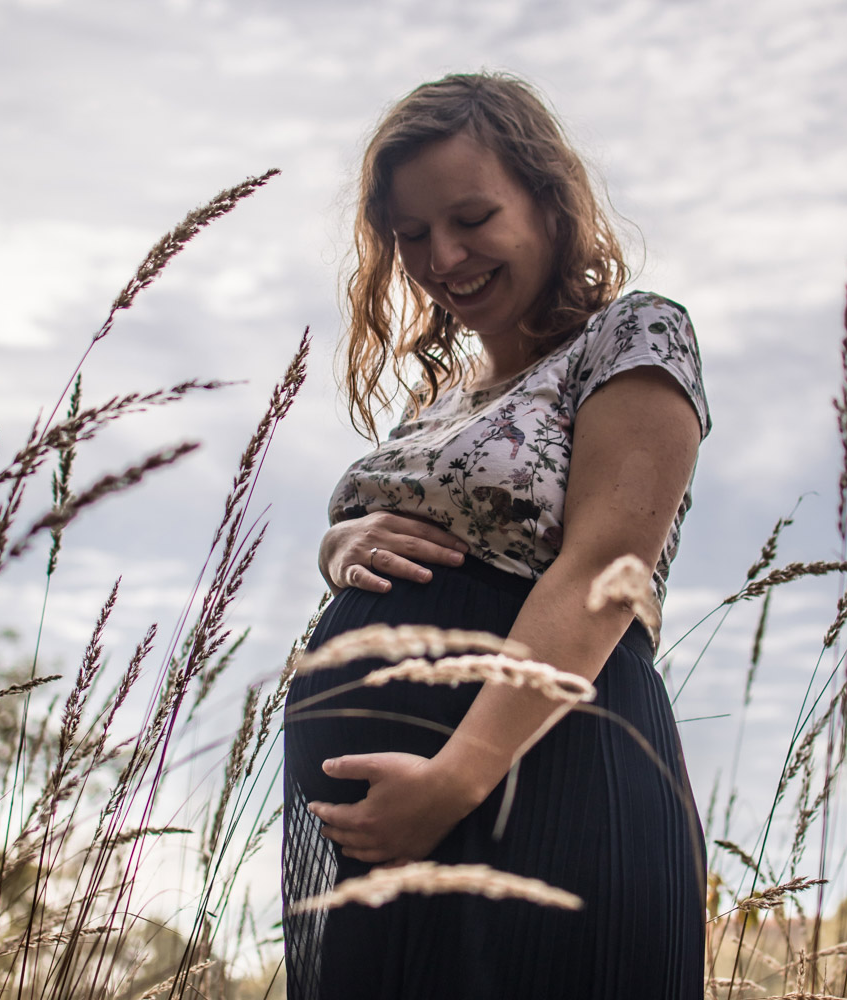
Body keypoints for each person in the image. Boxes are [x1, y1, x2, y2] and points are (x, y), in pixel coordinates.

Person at [283, 71, 711, 1000]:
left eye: (472, 217)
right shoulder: (438, 401)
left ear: (552, 206)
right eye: (411, 236)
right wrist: (339, 546)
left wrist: (456, 777)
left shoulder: (632, 337)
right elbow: (383, 527)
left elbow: (606, 568)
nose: (442, 256)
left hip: (540, 774)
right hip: (386, 818)